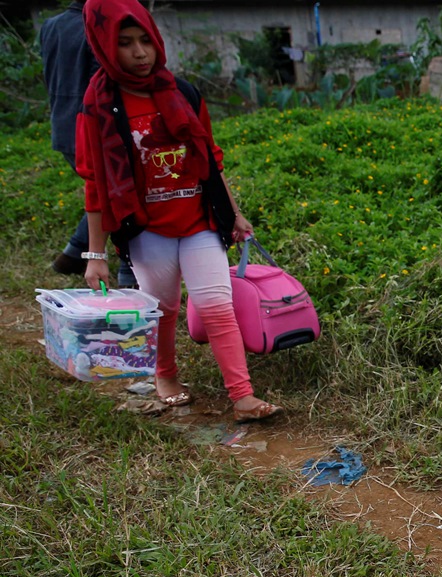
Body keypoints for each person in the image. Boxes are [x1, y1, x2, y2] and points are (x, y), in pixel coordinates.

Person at [75, 0, 282, 422]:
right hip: (147, 228)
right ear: (105, 46)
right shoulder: (99, 106)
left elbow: (210, 159)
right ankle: (166, 376)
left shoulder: (182, 92)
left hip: (199, 221)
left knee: (216, 304)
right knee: (164, 308)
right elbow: (95, 183)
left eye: (145, 41)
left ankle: (242, 396)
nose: (140, 53)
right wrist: (95, 255)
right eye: (125, 43)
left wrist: (234, 213)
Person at [40, 0, 137, 288]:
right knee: (122, 192)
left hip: (62, 124)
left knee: (108, 191)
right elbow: (105, 81)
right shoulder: (97, 25)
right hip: (95, 127)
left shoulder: (51, 25)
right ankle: (128, 272)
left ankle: (73, 252)